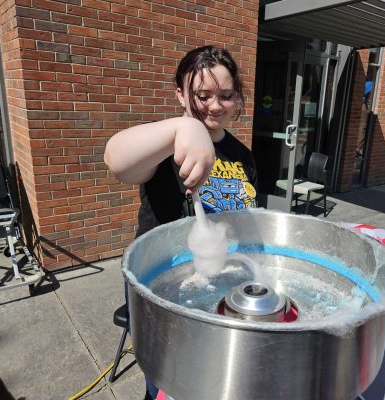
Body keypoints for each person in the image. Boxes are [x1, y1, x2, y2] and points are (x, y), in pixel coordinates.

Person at [104, 46, 258, 400]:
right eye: (202, 96)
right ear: (179, 94)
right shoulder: (162, 144)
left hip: (221, 280)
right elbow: (116, 159)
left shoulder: (243, 156)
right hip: (165, 289)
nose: (215, 105)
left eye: (226, 96)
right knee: (171, 383)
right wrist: (183, 127)